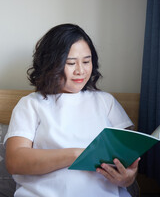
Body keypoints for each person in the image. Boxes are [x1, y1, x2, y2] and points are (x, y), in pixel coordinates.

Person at [4, 23, 140, 197]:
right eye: (70, 63)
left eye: (86, 61)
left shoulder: (106, 102)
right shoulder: (31, 104)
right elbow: (15, 160)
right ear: (50, 64)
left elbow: (128, 159)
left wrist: (127, 178)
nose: (80, 71)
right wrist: (77, 154)